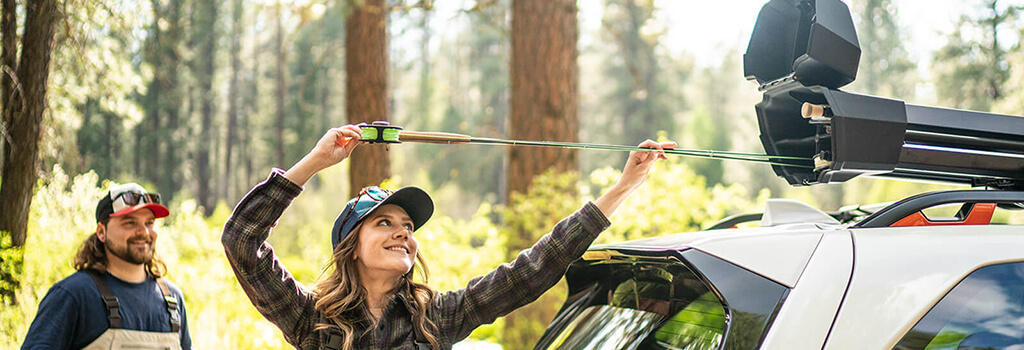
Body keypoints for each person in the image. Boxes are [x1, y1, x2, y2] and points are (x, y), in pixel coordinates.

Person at [222, 124, 674, 350]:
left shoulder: (436, 317)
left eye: (408, 227)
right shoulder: (310, 320)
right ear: (350, 248)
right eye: (384, 223)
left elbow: (535, 269)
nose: (403, 232)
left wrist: (622, 189)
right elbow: (243, 241)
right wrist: (315, 163)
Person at [22, 183, 191, 350]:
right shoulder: (74, 295)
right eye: (130, 223)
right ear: (101, 232)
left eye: (149, 223)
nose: (144, 232)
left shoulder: (172, 300)